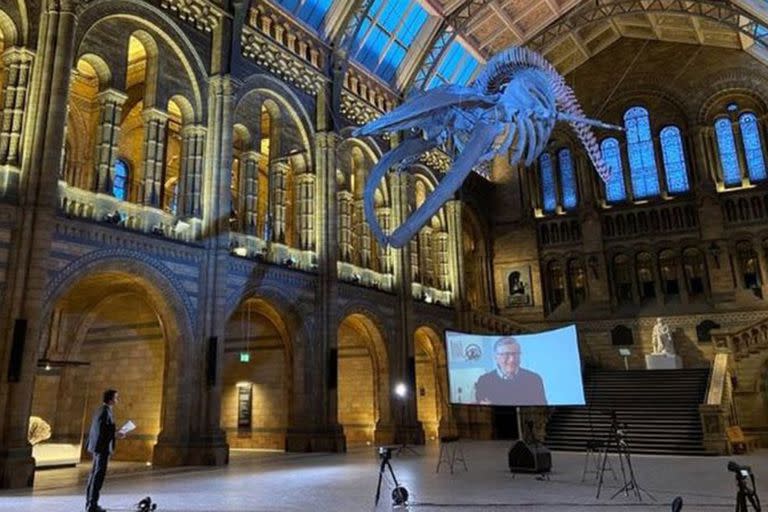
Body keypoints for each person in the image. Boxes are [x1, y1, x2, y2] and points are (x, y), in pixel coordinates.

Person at [475, 337, 547, 405]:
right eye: (506, 354)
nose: (512, 359)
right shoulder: (484, 381)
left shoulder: (534, 379)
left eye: (516, 354)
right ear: (496, 358)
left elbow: (542, 411)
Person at [85, 389, 125, 512]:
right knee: (98, 476)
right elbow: (102, 430)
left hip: (98, 447)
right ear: (111, 399)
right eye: (116, 397)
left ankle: (90, 504)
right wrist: (116, 434)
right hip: (102, 448)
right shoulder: (105, 412)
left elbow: (104, 428)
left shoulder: (101, 410)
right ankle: (92, 505)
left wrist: (115, 431)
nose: (117, 400)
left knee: (94, 475)